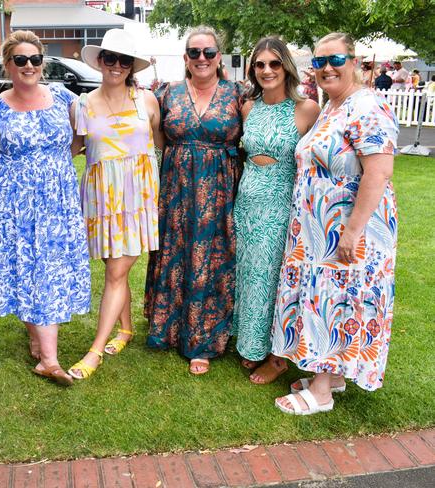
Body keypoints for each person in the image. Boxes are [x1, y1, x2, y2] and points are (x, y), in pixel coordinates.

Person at [271, 32, 398, 415]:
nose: (327, 68)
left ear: (354, 61)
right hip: (319, 231)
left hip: (347, 229)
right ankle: (335, 375)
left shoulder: (367, 105)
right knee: (326, 299)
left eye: (336, 60)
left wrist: (353, 230)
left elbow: (378, 170)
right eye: (319, 61)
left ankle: (321, 393)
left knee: (334, 301)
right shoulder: (333, 106)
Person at [0, 30, 91, 386]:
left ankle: (48, 356)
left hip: (56, 202)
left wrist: (53, 167)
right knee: (27, 268)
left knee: (50, 269)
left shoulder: (62, 97)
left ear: (43, 63)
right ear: (7, 65)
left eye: (35, 59)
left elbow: (81, 136)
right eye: (20, 60)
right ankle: (45, 350)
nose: (29, 66)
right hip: (13, 205)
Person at [144, 25, 243, 375]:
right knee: (175, 252)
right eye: (195, 52)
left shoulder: (238, 94)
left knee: (211, 258)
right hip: (176, 189)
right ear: (185, 58)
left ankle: (201, 339)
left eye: (209, 52)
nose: (202, 58)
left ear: (219, 58)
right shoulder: (166, 93)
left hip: (218, 191)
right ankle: (167, 327)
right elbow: (154, 137)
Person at [67, 29, 162, 380]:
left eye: (124, 61)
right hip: (100, 196)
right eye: (111, 58)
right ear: (100, 61)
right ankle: (125, 329)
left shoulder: (147, 101)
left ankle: (94, 352)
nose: (117, 66)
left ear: (131, 66)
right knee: (112, 264)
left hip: (138, 197)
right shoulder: (81, 104)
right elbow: (74, 148)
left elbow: (162, 143)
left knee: (116, 272)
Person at [233, 37, 320, 385]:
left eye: (274, 63)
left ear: (286, 67)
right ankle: (251, 343)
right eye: (260, 64)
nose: (267, 70)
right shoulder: (248, 107)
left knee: (274, 279)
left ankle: (276, 356)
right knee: (248, 273)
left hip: (281, 204)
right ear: (253, 70)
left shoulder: (307, 109)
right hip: (247, 201)